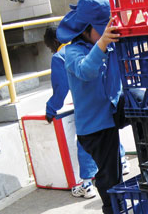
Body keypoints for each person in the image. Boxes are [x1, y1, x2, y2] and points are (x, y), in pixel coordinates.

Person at [56, 0, 124, 214]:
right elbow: (86, 71)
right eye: (102, 29)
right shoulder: (73, 52)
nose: (108, 33)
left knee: (143, 104)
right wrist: (103, 44)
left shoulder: (107, 42)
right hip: (94, 129)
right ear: (86, 29)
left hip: (113, 112)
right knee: (109, 176)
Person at [43, 27, 130, 199]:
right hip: (109, 106)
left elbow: (60, 89)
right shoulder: (95, 46)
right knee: (108, 136)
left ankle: (87, 183)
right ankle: (122, 160)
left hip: (88, 113)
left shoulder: (62, 55)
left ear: (54, 43)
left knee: (86, 142)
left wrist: (50, 109)